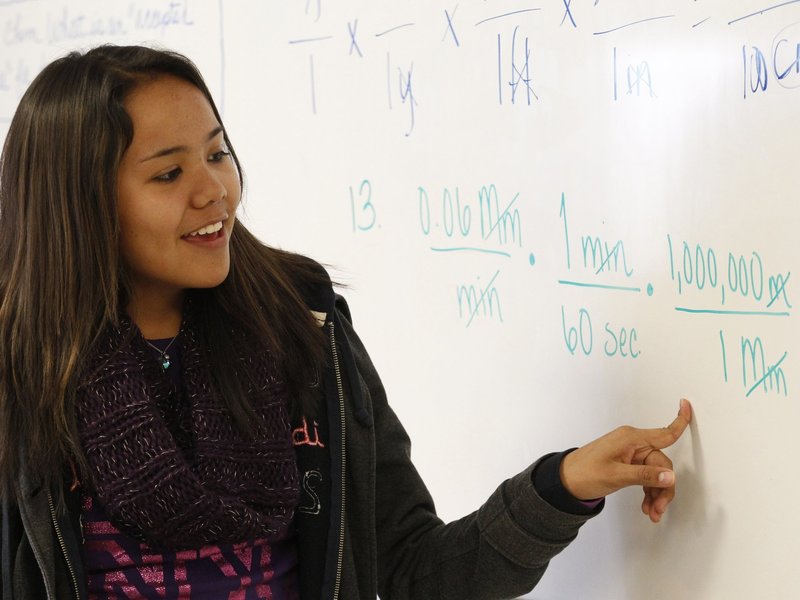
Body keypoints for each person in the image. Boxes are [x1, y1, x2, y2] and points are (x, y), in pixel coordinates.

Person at [0, 45, 692, 600]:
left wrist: (561, 487)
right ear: (80, 201)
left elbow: (415, 570)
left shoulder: (303, 330)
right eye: (167, 174)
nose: (214, 190)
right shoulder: (22, 374)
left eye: (216, 153)